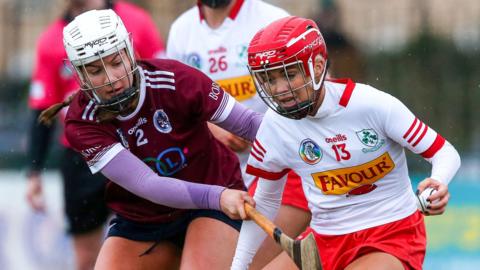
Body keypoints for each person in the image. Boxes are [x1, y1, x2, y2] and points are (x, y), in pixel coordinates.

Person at [38, 8, 264, 270]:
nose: (111, 79)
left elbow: (250, 124)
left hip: (212, 201)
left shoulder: (177, 79)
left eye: (115, 62)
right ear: (79, 74)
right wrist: (220, 196)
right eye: (94, 70)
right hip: (146, 216)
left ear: (130, 52)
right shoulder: (81, 121)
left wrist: (306, 128)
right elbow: (148, 183)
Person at [231, 16, 461, 270]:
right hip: (322, 242)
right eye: (270, 79)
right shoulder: (274, 126)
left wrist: (438, 181)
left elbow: (444, 152)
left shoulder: (372, 105)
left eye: (290, 74)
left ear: (318, 66)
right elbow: (264, 204)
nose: (279, 89)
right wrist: (237, 267)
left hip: (390, 235)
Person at [166, 1, 311, 267]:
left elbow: (310, 97)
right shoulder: (181, 30)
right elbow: (174, 107)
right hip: (215, 179)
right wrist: (211, 127)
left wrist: (259, 130)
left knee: (248, 264)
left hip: (281, 170)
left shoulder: (273, 20)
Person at [26, 1, 165, 269]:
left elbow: (164, 80)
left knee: (151, 250)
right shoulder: (50, 40)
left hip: (137, 145)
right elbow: (42, 110)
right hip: (83, 157)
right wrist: (34, 174)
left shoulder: (136, 21)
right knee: (86, 259)